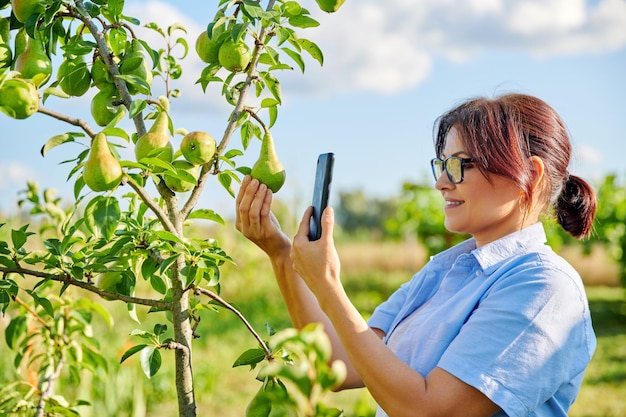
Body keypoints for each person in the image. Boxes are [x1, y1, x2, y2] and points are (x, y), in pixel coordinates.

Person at [235, 93, 597, 417]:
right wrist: (282, 255)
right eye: (441, 165)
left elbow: (429, 410)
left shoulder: (545, 287)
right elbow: (340, 361)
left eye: (459, 165)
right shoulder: (445, 270)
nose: (441, 182)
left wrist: (328, 286)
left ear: (528, 176)